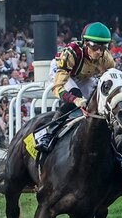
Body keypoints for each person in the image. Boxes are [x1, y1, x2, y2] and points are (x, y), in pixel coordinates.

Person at [33, 21, 116, 154]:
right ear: (85, 43)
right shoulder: (72, 52)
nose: (99, 52)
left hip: (84, 75)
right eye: (94, 47)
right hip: (63, 70)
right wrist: (74, 100)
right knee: (76, 94)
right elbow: (57, 88)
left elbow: (113, 77)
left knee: (96, 97)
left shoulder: (106, 58)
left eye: (103, 47)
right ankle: (49, 133)